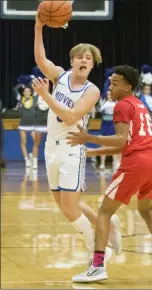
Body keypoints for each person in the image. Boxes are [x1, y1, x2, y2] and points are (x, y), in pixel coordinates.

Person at [66, 65, 152, 282]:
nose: (111, 86)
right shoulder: (141, 105)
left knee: (104, 212)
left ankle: (97, 265)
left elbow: (120, 140)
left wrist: (87, 137)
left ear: (128, 86)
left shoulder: (121, 106)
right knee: (146, 210)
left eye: (115, 83)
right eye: (110, 82)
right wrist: (94, 152)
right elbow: (128, 143)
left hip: (137, 163)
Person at [32, 13, 122, 265]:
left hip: (72, 149)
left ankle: (97, 252)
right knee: (65, 206)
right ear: (72, 61)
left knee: (70, 209)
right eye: (80, 56)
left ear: (92, 65)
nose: (84, 60)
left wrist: (46, 96)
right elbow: (40, 58)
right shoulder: (59, 76)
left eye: (89, 58)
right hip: (51, 148)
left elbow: (71, 116)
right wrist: (39, 26)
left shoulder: (91, 90)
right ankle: (109, 225)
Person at [18, 87, 39, 168]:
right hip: (23, 125)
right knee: (23, 142)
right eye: (25, 91)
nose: (27, 92)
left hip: (33, 125)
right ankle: (26, 160)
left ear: (31, 93)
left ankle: (34, 160)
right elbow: (15, 90)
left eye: (28, 91)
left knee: (36, 142)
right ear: (23, 93)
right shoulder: (20, 100)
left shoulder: (34, 99)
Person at [99, 90, 120, 170]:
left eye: (111, 94)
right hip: (105, 124)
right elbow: (100, 110)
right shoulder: (104, 103)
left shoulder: (116, 103)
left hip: (113, 124)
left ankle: (115, 162)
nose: (110, 96)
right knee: (103, 144)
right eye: (108, 94)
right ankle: (102, 164)